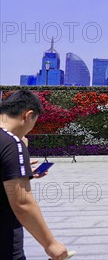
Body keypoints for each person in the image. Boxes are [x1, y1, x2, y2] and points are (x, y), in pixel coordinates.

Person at [1, 90, 69, 260]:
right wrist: (50, 244)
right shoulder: (11, 143)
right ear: (28, 115)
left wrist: (20, 171)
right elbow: (22, 203)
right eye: (34, 122)